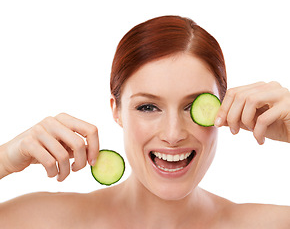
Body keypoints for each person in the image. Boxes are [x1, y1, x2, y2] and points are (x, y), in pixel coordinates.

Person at [0, 15, 289, 228]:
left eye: (193, 106)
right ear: (117, 110)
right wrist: (5, 160)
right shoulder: (45, 221)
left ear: (224, 108)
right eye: (148, 107)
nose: (173, 134)